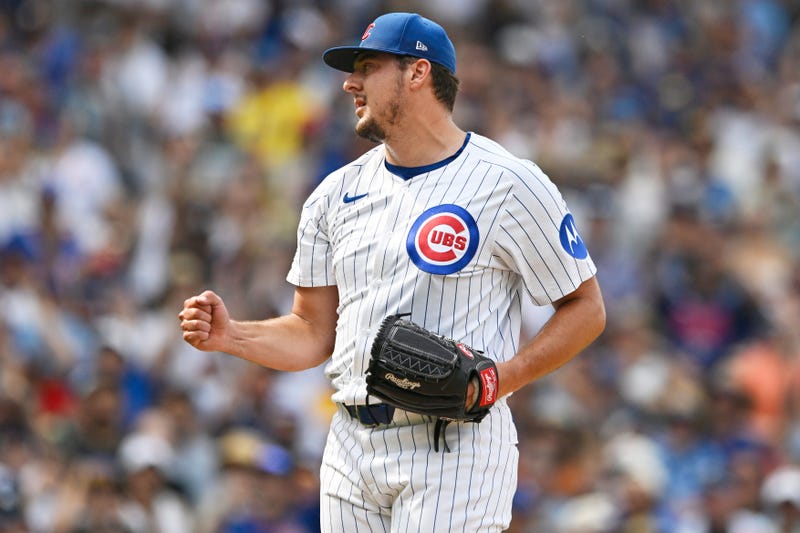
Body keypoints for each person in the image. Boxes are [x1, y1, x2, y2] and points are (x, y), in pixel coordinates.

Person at [179, 12, 605, 532]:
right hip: (350, 447)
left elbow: (586, 307)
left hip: (453, 447)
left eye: (367, 66)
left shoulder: (509, 183)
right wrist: (233, 336)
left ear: (417, 73)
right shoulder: (332, 196)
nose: (349, 83)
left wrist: (498, 380)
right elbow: (313, 333)